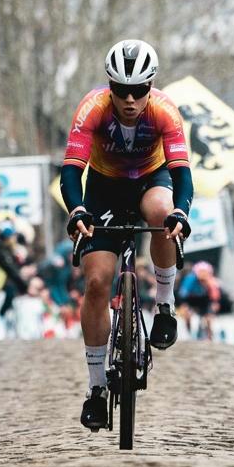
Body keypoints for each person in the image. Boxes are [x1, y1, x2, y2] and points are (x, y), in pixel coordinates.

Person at [61, 39, 193, 432]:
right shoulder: (92, 109)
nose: (131, 100)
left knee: (162, 214)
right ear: (109, 86)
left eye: (139, 91)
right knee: (98, 282)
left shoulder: (166, 112)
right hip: (103, 187)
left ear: (151, 86)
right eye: (121, 90)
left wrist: (181, 213)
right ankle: (97, 388)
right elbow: (71, 169)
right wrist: (78, 209)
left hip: (152, 179)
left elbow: (183, 173)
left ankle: (165, 306)